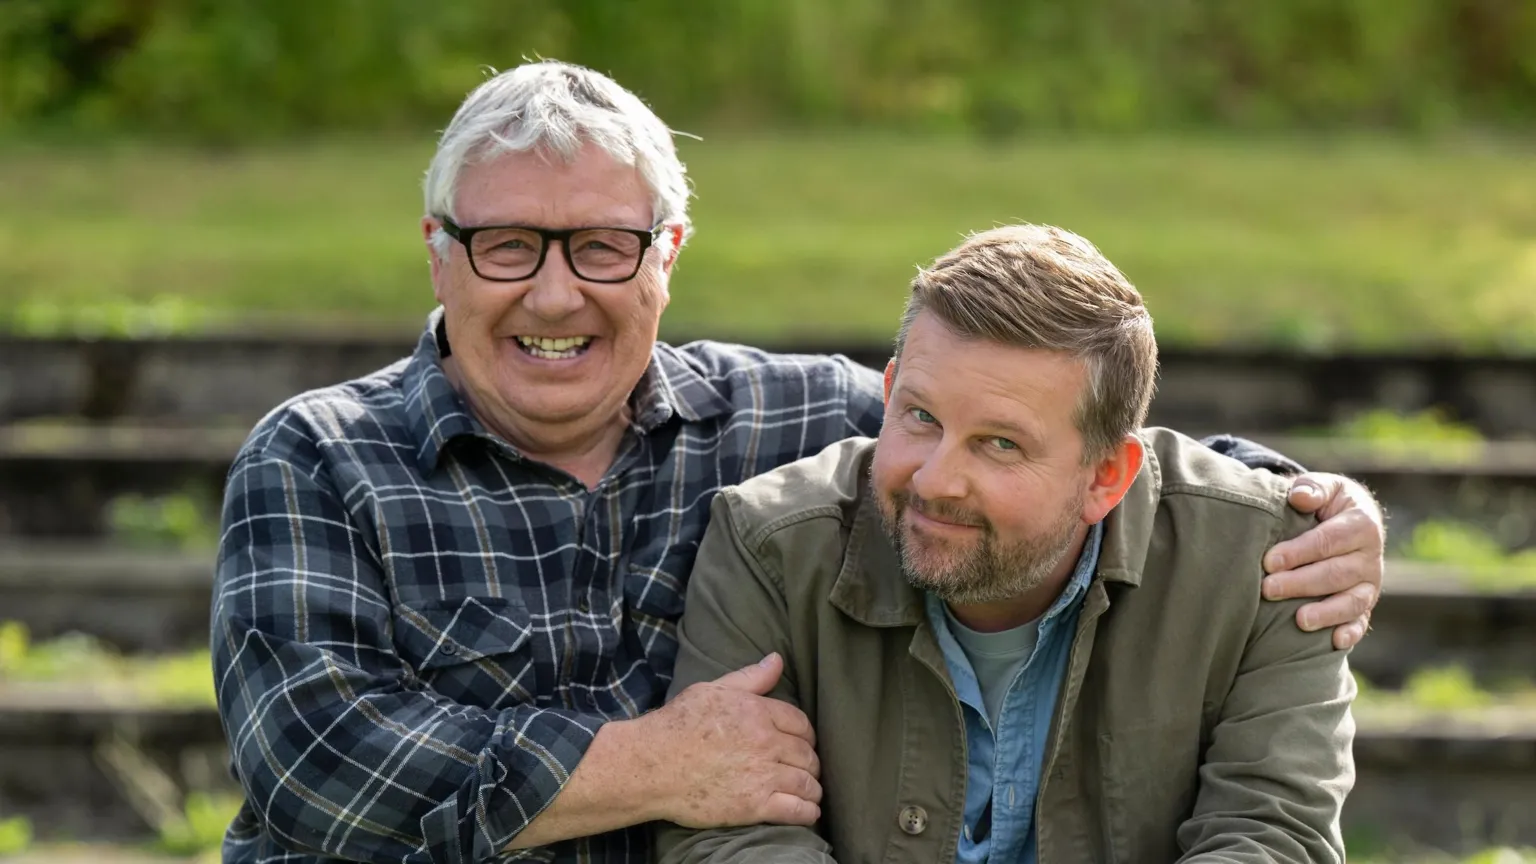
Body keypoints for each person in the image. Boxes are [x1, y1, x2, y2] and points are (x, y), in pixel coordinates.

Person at [210, 60, 1383, 864]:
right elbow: (317, 765)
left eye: (604, 247)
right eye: (507, 244)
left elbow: (1024, 426)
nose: (555, 294)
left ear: (668, 255)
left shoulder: (794, 412)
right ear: (438, 253)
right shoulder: (321, 458)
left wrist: (1298, 506)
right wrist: (651, 766)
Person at [655, 225, 1358, 864]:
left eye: (999, 444)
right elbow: (729, 839)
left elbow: (1274, 837)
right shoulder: (768, 546)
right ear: (889, 392)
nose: (935, 481)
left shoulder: (1273, 564)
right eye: (920, 416)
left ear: (1106, 476)